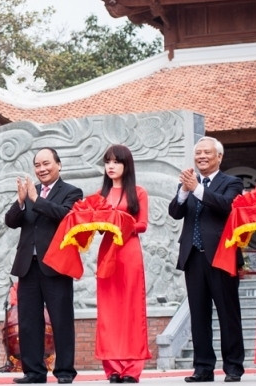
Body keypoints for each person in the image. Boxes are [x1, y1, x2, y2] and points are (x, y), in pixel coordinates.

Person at [168, 136, 244, 383]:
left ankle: (233, 367)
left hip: (222, 256)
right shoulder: (190, 184)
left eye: (206, 153)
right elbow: (175, 212)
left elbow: (225, 206)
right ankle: (203, 368)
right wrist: (183, 191)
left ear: (219, 157)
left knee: (227, 314)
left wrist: (197, 189)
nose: (201, 156)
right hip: (193, 257)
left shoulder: (232, 182)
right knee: (199, 316)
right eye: (198, 153)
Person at [4, 148, 82, 385]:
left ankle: (65, 372)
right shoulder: (29, 192)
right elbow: (10, 221)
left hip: (56, 265)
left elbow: (66, 216)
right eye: (37, 165)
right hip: (28, 265)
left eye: (46, 164)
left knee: (61, 319)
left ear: (59, 164)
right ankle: (34, 372)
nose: (41, 169)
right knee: (28, 321)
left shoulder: (71, 191)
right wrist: (20, 201)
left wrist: (36, 200)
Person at [93, 145, 151, 383]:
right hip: (107, 252)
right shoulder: (100, 194)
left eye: (116, 162)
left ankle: (131, 369)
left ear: (126, 165)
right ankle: (113, 368)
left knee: (131, 309)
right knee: (108, 312)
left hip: (129, 252)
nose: (111, 166)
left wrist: (119, 223)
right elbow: (95, 226)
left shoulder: (139, 192)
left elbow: (143, 224)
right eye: (107, 162)